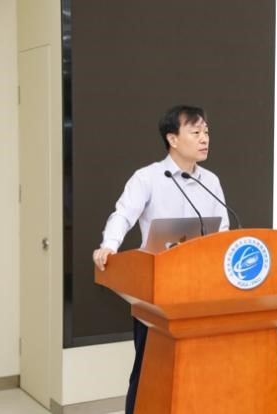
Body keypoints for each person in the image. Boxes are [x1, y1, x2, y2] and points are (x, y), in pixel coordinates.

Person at [92, 104, 229, 414]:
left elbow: (222, 229)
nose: (205, 138)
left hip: (199, 289)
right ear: (173, 138)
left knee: (195, 369)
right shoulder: (148, 178)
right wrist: (109, 246)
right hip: (155, 292)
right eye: (196, 132)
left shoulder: (211, 181)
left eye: (206, 131)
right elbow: (123, 215)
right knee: (148, 369)